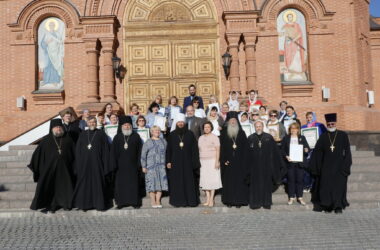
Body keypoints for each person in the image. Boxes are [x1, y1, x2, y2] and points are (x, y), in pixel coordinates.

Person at [28, 119, 75, 213]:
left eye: (60, 127)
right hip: (50, 170)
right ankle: (51, 205)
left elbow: (74, 154)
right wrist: (38, 167)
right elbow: (37, 155)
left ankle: (66, 203)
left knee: (65, 187)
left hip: (65, 170)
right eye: (56, 127)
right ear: (52, 128)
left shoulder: (68, 139)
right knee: (51, 188)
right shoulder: (45, 140)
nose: (58, 129)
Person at [310, 113, 352, 214]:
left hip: (339, 167)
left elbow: (347, 152)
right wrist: (317, 167)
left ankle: (338, 206)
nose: (331, 126)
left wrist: (346, 166)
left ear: (335, 123)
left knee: (338, 188)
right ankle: (327, 206)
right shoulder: (323, 137)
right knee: (326, 187)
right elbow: (317, 153)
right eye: (329, 124)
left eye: (332, 124)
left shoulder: (343, 135)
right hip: (326, 167)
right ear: (327, 124)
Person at [72, 116, 111, 211]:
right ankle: (85, 205)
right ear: (87, 123)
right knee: (85, 184)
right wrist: (78, 164)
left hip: (98, 164)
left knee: (98, 184)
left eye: (94, 122)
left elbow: (106, 151)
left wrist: (105, 165)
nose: (92, 124)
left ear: (96, 123)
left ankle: (99, 205)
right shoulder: (83, 134)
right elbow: (78, 150)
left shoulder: (101, 134)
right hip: (84, 165)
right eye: (90, 122)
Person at [245, 121, 283, 210]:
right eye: (257, 126)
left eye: (260, 126)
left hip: (266, 166)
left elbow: (275, 152)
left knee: (266, 185)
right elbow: (246, 154)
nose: (258, 128)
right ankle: (255, 203)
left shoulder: (269, 137)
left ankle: (266, 203)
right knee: (255, 185)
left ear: (263, 127)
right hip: (254, 167)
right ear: (254, 127)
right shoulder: (250, 138)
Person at [166, 113, 200, 207]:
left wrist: (195, 162)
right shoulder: (172, 135)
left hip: (188, 162)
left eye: (182, 122)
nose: (180, 124)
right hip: (175, 162)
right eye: (179, 122)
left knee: (188, 181)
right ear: (176, 123)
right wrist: (168, 161)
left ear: (184, 123)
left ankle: (190, 201)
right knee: (177, 182)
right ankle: (178, 202)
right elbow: (169, 149)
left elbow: (194, 149)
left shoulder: (190, 134)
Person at [109, 116, 143, 209]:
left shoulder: (136, 136)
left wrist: (139, 164)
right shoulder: (117, 137)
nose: (127, 127)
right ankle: (121, 202)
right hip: (120, 167)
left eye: (128, 125)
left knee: (133, 184)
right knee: (120, 185)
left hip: (133, 166)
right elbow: (113, 152)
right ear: (121, 126)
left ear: (131, 126)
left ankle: (134, 202)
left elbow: (140, 151)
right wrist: (113, 164)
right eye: (125, 125)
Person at [219, 112, 249, 207]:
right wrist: (224, 160)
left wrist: (244, 160)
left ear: (237, 121)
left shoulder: (241, 132)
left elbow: (246, 148)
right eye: (231, 120)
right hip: (228, 162)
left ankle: (239, 201)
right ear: (228, 121)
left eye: (234, 120)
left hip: (240, 162)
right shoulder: (224, 132)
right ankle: (229, 201)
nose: (232, 122)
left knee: (239, 182)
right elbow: (221, 148)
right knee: (229, 182)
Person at [281, 122, 310, 206]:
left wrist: (306, 150)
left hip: (300, 163)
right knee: (291, 180)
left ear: (298, 129)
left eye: (295, 128)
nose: (294, 130)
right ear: (290, 130)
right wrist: (286, 156)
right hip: (290, 163)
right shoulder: (286, 138)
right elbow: (282, 150)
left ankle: (300, 197)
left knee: (300, 180)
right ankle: (291, 197)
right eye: (292, 128)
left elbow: (307, 148)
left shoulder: (302, 137)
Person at [141, 126, 168, 208]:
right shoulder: (148, 142)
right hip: (150, 166)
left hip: (161, 166)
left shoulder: (164, 141)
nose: (157, 132)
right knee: (151, 184)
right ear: (151, 132)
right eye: (155, 130)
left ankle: (158, 200)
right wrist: (143, 166)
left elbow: (167, 153)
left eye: (158, 130)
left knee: (160, 183)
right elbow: (143, 154)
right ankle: (153, 200)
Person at [301, 112, 327, 192]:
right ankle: (306, 185)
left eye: (311, 117)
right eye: (308, 117)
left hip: (317, 150)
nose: (309, 119)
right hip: (307, 150)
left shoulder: (320, 125)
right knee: (307, 168)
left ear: (314, 117)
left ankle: (314, 185)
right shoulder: (303, 127)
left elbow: (325, 136)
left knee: (316, 167)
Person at [198, 122, 222, 207]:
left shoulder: (215, 137)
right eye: (205, 127)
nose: (206, 128)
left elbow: (218, 150)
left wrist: (217, 161)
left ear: (211, 128)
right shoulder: (200, 138)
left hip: (212, 160)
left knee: (212, 180)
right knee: (205, 181)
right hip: (203, 161)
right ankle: (207, 198)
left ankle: (212, 199)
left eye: (208, 127)